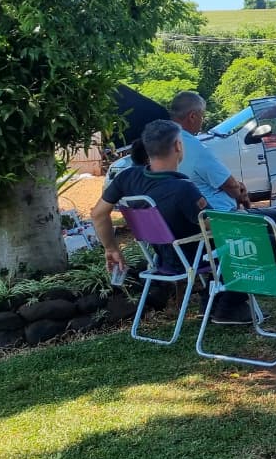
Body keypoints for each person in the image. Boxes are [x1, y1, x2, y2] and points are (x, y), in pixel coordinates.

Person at [90, 120, 247, 324]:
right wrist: (241, 218)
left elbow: (98, 214)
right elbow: (212, 225)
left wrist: (111, 248)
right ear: (178, 146)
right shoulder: (182, 188)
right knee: (260, 238)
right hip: (192, 257)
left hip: (162, 257)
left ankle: (210, 303)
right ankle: (228, 307)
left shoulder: (126, 177)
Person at [168, 91, 276, 256]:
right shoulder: (193, 146)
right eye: (202, 116)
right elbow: (231, 186)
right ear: (192, 116)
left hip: (182, 227)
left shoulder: (163, 142)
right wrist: (240, 192)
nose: (202, 121)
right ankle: (263, 264)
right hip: (217, 221)